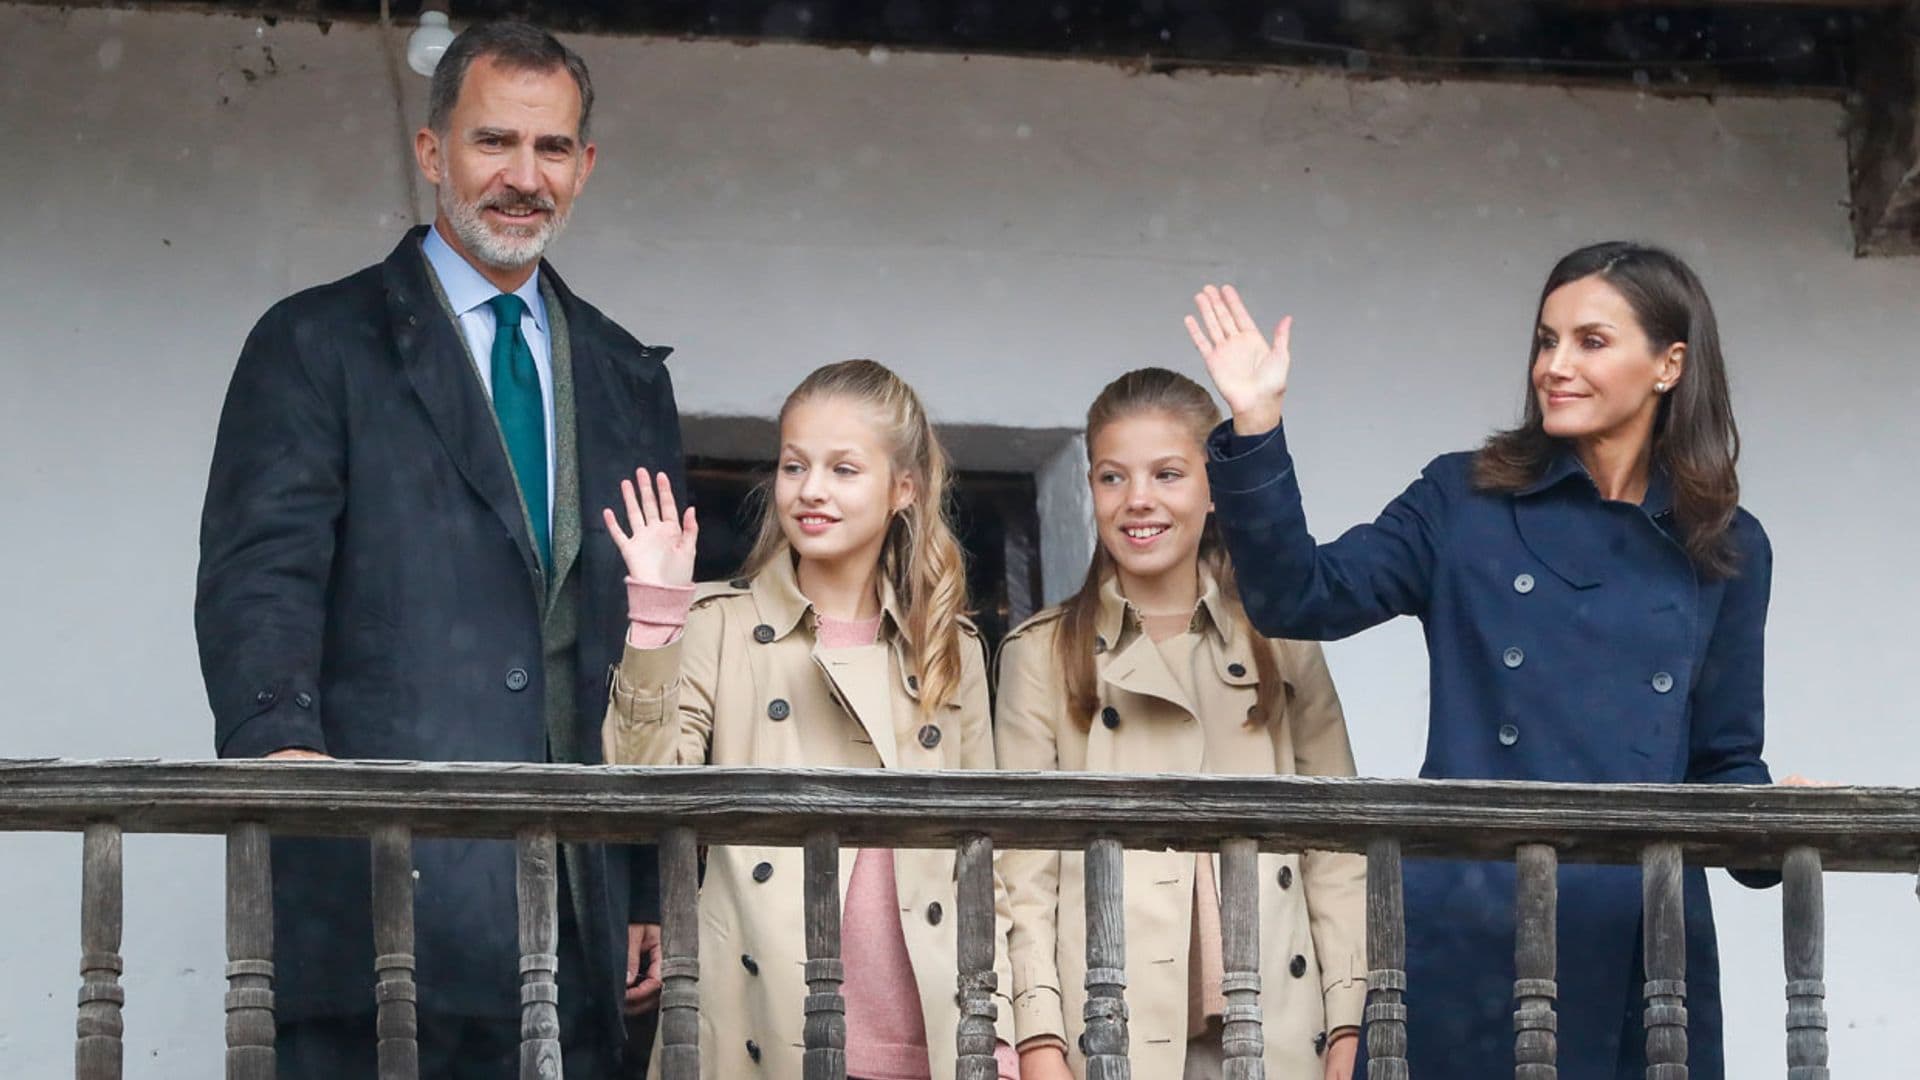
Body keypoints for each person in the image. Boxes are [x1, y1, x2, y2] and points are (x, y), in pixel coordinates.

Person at [194, 22, 679, 1075]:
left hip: (578, 919)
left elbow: (641, 641)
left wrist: (640, 879)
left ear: (585, 167)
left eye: (552, 149)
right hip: (380, 901)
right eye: (492, 142)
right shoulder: (317, 342)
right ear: (431, 154)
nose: (523, 178)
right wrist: (290, 776)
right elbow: (260, 577)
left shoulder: (627, 375)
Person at [1183, 243, 1782, 1079]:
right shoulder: (1462, 501)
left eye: (1590, 342)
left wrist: (1771, 823)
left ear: (1669, 364)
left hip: (1640, 948)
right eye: (1545, 341)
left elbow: (1724, 761)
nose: (1554, 367)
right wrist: (1255, 424)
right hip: (1471, 930)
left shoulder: (1724, 546)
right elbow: (1301, 597)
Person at [600, 359, 1021, 1079]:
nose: (812, 490)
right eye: (795, 466)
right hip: (760, 1015)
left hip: (932, 1025)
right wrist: (655, 618)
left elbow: (985, 859)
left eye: (844, 469)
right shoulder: (718, 623)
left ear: (905, 489)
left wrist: (1002, 1028)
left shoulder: (950, 646)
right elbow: (638, 787)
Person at [994, 368, 1368, 1080]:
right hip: (1107, 1019)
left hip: (1279, 1021)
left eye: (1168, 474)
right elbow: (1021, 873)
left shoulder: (1283, 638)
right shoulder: (1041, 653)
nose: (1138, 501)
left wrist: (1350, 1023)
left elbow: (1339, 850)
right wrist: (1041, 1041)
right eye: (1112, 477)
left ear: (1212, 488)